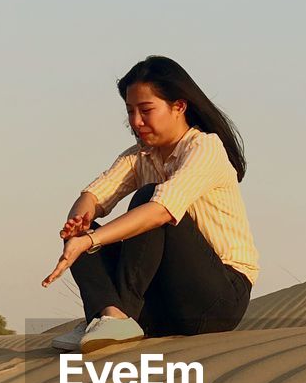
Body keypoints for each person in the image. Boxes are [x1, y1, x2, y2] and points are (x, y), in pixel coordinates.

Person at [41, 56, 259, 355]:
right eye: (130, 111)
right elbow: (93, 196)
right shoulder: (138, 156)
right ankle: (109, 316)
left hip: (218, 299)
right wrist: (78, 225)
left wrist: (91, 240)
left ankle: (119, 317)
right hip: (166, 303)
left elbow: (161, 210)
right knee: (83, 228)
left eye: (146, 110)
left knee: (149, 200)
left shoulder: (205, 147)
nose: (136, 121)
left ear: (179, 106)